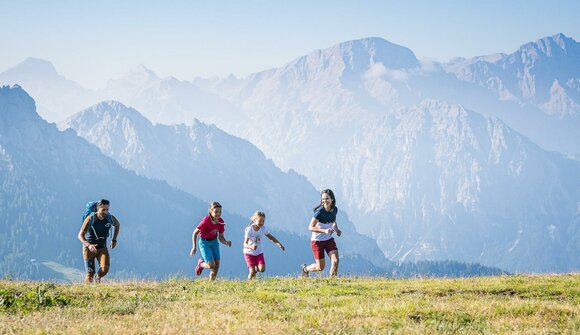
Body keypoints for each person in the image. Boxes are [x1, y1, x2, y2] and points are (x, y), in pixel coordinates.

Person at [78, 199, 121, 283]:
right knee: (90, 274)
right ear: (98, 209)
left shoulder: (109, 218)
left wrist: (114, 240)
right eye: (103, 210)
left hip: (102, 247)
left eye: (107, 209)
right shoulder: (90, 219)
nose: (106, 212)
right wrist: (89, 245)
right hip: (89, 249)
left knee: (105, 268)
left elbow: (117, 225)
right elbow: (80, 235)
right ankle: (87, 291)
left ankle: (97, 278)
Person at [301, 189, 342, 277]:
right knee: (320, 267)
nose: (324, 201)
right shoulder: (319, 212)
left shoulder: (334, 209)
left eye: (327, 198)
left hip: (329, 239)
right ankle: (305, 269)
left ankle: (333, 284)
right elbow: (310, 227)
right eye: (323, 199)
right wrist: (324, 231)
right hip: (317, 241)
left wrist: (337, 230)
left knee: (335, 261)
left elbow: (333, 221)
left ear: (332, 199)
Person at [190, 202, 232, 281]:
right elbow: (195, 233)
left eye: (220, 212)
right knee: (211, 265)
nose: (218, 214)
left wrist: (226, 242)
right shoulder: (206, 221)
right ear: (210, 211)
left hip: (214, 242)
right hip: (204, 243)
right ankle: (201, 264)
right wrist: (194, 247)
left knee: (217, 265)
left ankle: (211, 284)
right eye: (216, 212)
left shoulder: (220, 222)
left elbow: (221, 237)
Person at [243, 211, 285, 280]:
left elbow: (270, 236)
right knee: (252, 271)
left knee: (262, 269)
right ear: (254, 220)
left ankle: (256, 268)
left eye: (263, 221)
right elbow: (245, 244)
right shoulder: (250, 230)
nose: (261, 223)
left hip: (259, 253)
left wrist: (278, 244)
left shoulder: (263, 228)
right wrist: (251, 246)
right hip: (249, 253)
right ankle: (248, 285)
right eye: (260, 221)